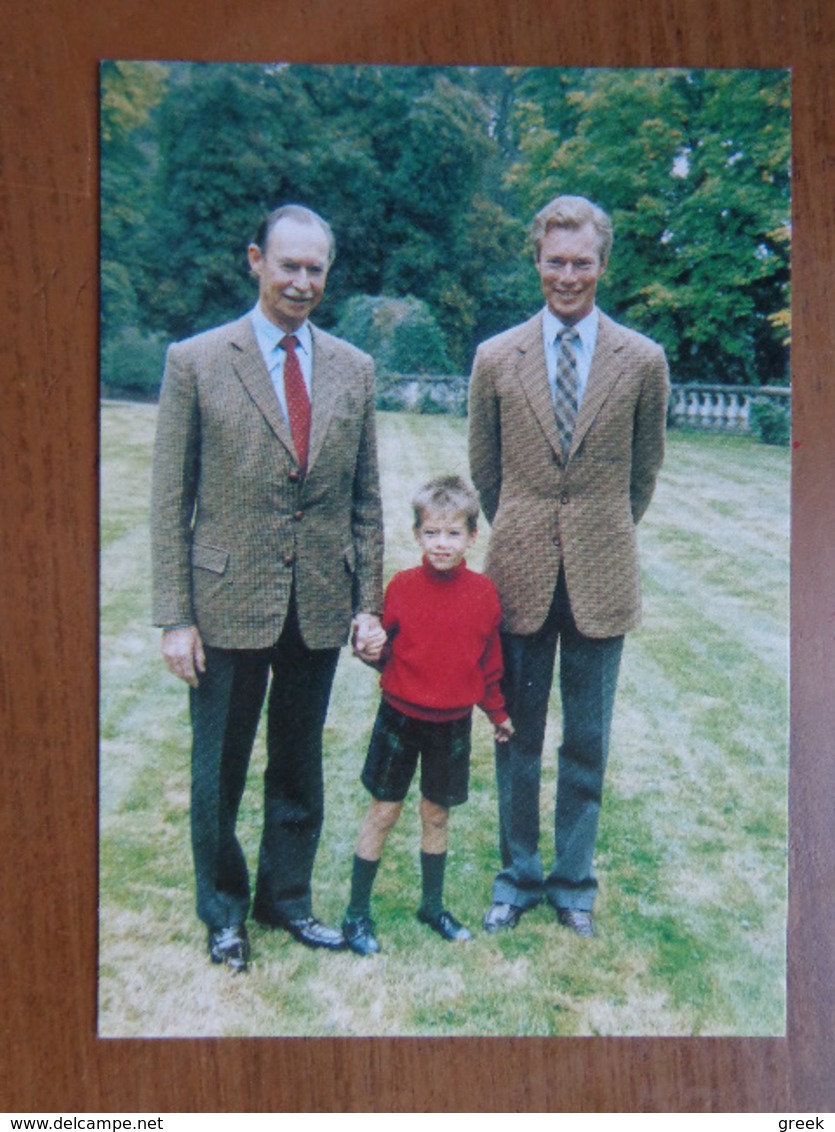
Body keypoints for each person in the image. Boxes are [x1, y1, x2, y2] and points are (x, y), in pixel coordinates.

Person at [151, 203, 385, 972]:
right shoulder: (196, 360)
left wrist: (366, 603)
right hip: (224, 603)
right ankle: (222, 910)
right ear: (256, 260)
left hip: (317, 602)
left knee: (298, 761)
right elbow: (167, 501)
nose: (302, 281)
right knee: (217, 765)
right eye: (288, 265)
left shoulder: (353, 368)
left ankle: (286, 899)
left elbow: (364, 500)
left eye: (315, 268)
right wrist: (174, 618)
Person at [468, 194, 669, 938]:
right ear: (536, 261)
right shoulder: (495, 357)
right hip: (517, 573)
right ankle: (516, 877)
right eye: (555, 261)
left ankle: (573, 885)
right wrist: (524, 532)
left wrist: (596, 534)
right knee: (514, 734)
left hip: (601, 574)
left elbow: (641, 474)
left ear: (601, 264)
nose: (567, 275)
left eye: (580, 262)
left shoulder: (642, 360)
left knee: (586, 738)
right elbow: (484, 472)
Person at [341, 475, 514, 957]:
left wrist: (497, 713)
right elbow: (379, 649)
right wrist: (369, 647)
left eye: (453, 533)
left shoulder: (484, 595)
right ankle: (356, 913)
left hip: (452, 724)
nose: (442, 544)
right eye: (432, 533)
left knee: (436, 815)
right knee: (384, 811)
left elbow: (489, 664)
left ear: (473, 537)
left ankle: (432, 904)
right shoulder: (400, 588)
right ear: (417, 535)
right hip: (399, 717)